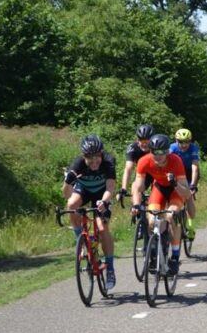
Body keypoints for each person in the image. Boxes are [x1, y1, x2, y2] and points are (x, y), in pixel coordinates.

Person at [130, 134, 192, 276]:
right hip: (159, 188)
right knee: (152, 219)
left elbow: (186, 193)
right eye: (153, 152)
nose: (157, 156)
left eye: (161, 153)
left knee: (171, 216)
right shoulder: (144, 161)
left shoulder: (176, 161)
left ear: (167, 152)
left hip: (175, 190)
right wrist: (136, 204)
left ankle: (175, 257)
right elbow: (138, 187)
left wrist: (175, 183)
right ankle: (156, 248)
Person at [63, 135, 118, 289]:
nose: (94, 162)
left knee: (102, 227)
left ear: (101, 154)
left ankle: (110, 268)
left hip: (102, 194)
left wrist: (104, 202)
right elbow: (66, 193)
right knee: (72, 204)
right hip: (85, 191)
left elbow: (110, 188)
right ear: (83, 156)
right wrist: (68, 182)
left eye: (97, 158)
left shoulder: (108, 162)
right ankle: (81, 240)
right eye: (90, 159)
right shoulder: (77, 164)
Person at [169, 128, 200, 239]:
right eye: (181, 142)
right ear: (176, 141)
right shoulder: (172, 148)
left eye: (187, 141)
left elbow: (195, 167)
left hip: (189, 173)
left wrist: (192, 184)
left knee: (188, 196)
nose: (184, 144)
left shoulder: (193, 148)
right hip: (176, 173)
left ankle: (190, 225)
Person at [118, 124, 154, 202]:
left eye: (147, 141)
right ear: (137, 140)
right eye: (142, 140)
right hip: (143, 174)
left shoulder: (157, 147)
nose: (144, 144)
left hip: (158, 173)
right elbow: (128, 168)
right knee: (135, 187)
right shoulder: (133, 148)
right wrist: (124, 188)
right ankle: (136, 210)